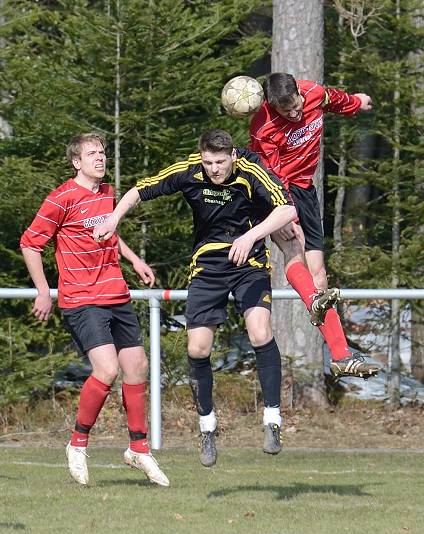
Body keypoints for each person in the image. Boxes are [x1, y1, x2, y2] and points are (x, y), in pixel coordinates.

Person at [96, 129, 297, 467]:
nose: (214, 169)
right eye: (208, 162)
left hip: (248, 261)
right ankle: (207, 427)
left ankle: (273, 419)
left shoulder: (250, 172)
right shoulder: (190, 171)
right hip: (208, 263)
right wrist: (114, 217)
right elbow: (139, 190)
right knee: (197, 348)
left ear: (233, 155)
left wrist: (250, 236)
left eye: (220, 162)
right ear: (200, 157)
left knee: (260, 331)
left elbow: (287, 210)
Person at [20, 133, 170, 487]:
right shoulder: (60, 199)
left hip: (115, 293)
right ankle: (77, 443)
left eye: (102, 152)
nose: (100, 158)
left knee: (137, 366)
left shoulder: (107, 194)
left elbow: (111, 231)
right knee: (107, 369)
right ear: (76, 162)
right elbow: (30, 243)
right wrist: (43, 290)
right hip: (81, 297)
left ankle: (138, 448)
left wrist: (134, 260)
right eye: (92, 154)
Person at [250, 72, 377, 378]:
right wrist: (280, 210)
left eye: (296, 106)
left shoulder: (314, 93)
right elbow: (270, 175)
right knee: (294, 246)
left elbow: (336, 100)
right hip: (278, 190)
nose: (294, 114)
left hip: (306, 190)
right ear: (271, 105)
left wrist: (357, 102)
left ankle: (340, 354)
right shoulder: (263, 128)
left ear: (299, 92)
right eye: (285, 111)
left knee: (319, 276)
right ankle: (337, 345)